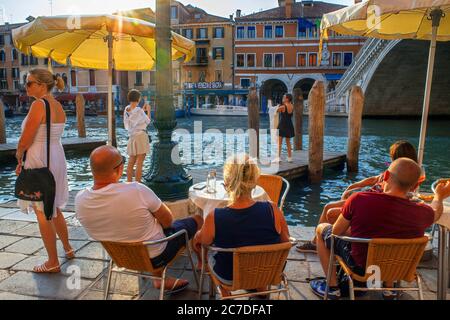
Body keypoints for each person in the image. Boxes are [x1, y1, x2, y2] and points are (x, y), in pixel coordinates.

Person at [310, 158, 450, 300]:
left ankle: (332, 288)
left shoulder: (359, 199)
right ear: (415, 187)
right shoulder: (423, 212)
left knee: (322, 229)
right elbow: (436, 212)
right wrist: (439, 195)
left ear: (386, 176)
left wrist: (357, 231)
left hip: (361, 267)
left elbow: (336, 232)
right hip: (399, 269)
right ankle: (389, 289)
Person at [75, 145, 203, 293]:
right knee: (197, 219)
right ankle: (201, 263)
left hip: (120, 258)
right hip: (157, 257)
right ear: (119, 169)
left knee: (145, 232)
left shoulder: (80, 200)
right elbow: (168, 220)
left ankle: (159, 279)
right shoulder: (136, 190)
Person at [194, 154, 290, 297]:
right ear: (254, 182)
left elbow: (201, 242)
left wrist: (197, 238)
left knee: (203, 245)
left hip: (229, 276)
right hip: (268, 272)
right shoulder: (273, 210)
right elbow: (285, 242)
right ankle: (260, 286)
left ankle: (225, 291)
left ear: (227, 184)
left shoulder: (215, 216)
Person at [297, 140, 419, 253]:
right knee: (328, 207)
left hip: (368, 205)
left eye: (392, 156)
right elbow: (374, 179)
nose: (390, 158)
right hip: (367, 200)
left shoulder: (401, 175)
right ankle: (316, 243)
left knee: (331, 213)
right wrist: (353, 186)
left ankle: (332, 243)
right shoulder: (394, 170)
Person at [15, 68, 73, 273]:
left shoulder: (39, 105)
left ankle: (52, 262)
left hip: (40, 159)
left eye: (29, 83)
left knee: (42, 212)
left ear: (41, 85)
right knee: (53, 207)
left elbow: (26, 139)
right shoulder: (58, 105)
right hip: (56, 157)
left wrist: (19, 156)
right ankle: (67, 248)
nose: (26, 86)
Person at [123, 89, 151, 183]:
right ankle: (138, 184)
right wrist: (148, 111)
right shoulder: (139, 110)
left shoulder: (127, 109)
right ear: (138, 99)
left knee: (131, 161)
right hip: (141, 136)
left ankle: (129, 183)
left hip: (132, 137)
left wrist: (142, 111)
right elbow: (148, 122)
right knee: (140, 162)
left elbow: (127, 125)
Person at [273, 94, 295, 163]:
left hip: (282, 125)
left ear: (287, 99)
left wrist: (276, 107)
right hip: (289, 125)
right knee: (288, 142)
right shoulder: (292, 106)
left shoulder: (283, 107)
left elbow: (275, 111)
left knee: (279, 143)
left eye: (284, 97)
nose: (282, 98)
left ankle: (278, 158)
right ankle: (290, 158)